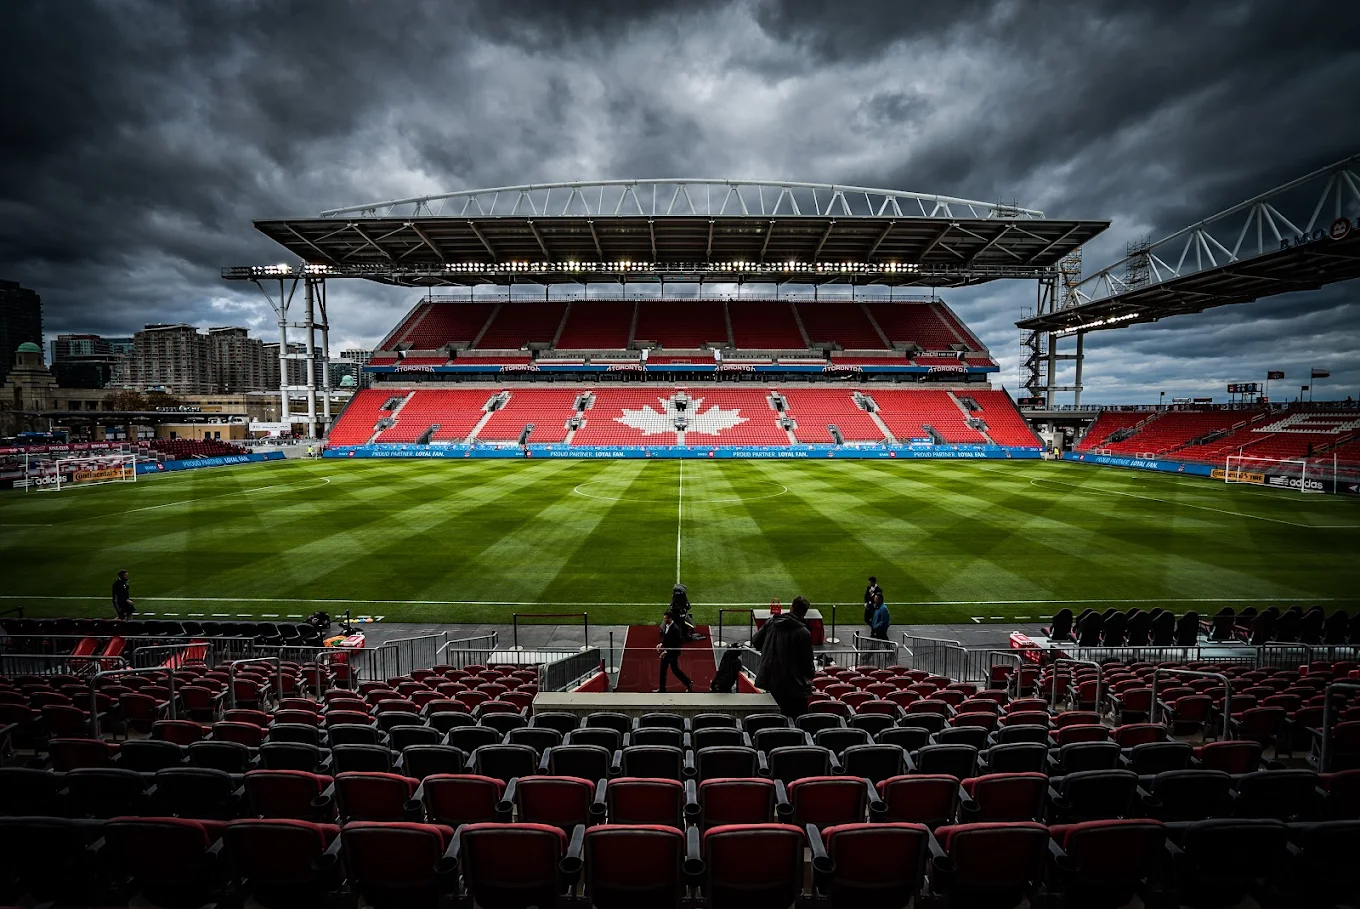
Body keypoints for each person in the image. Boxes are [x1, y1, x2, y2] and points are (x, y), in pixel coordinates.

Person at [751, 595, 815, 718]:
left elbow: (756, 641)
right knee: (797, 721)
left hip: (772, 681)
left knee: (776, 721)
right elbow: (807, 662)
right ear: (804, 612)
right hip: (794, 686)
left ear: (791, 607)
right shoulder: (803, 632)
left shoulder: (772, 623)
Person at [656, 608, 694, 693]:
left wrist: (665, 652)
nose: (664, 620)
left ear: (670, 618)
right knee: (663, 670)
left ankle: (688, 683)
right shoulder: (667, 626)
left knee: (675, 670)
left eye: (666, 618)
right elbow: (667, 638)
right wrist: (661, 644)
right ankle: (662, 689)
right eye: (664, 618)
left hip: (672, 653)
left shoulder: (675, 629)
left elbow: (675, 644)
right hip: (668, 652)